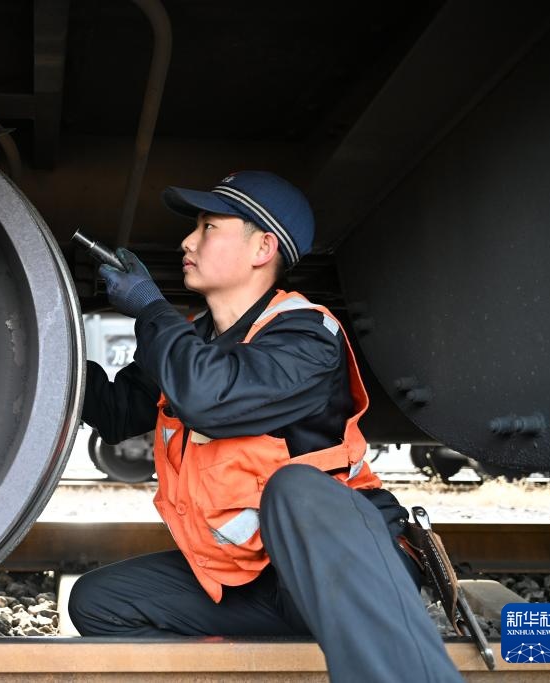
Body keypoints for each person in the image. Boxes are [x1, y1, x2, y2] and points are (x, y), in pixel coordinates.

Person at [68, 171, 462, 682]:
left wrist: (149, 308)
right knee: (99, 602)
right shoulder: (193, 341)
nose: (188, 240)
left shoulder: (307, 336)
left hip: (344, 572)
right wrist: (47, 347)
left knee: (294, 489)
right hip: (261, 584)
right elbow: (119, 411)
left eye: (209, 227)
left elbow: (210, 398)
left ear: (263, 248)